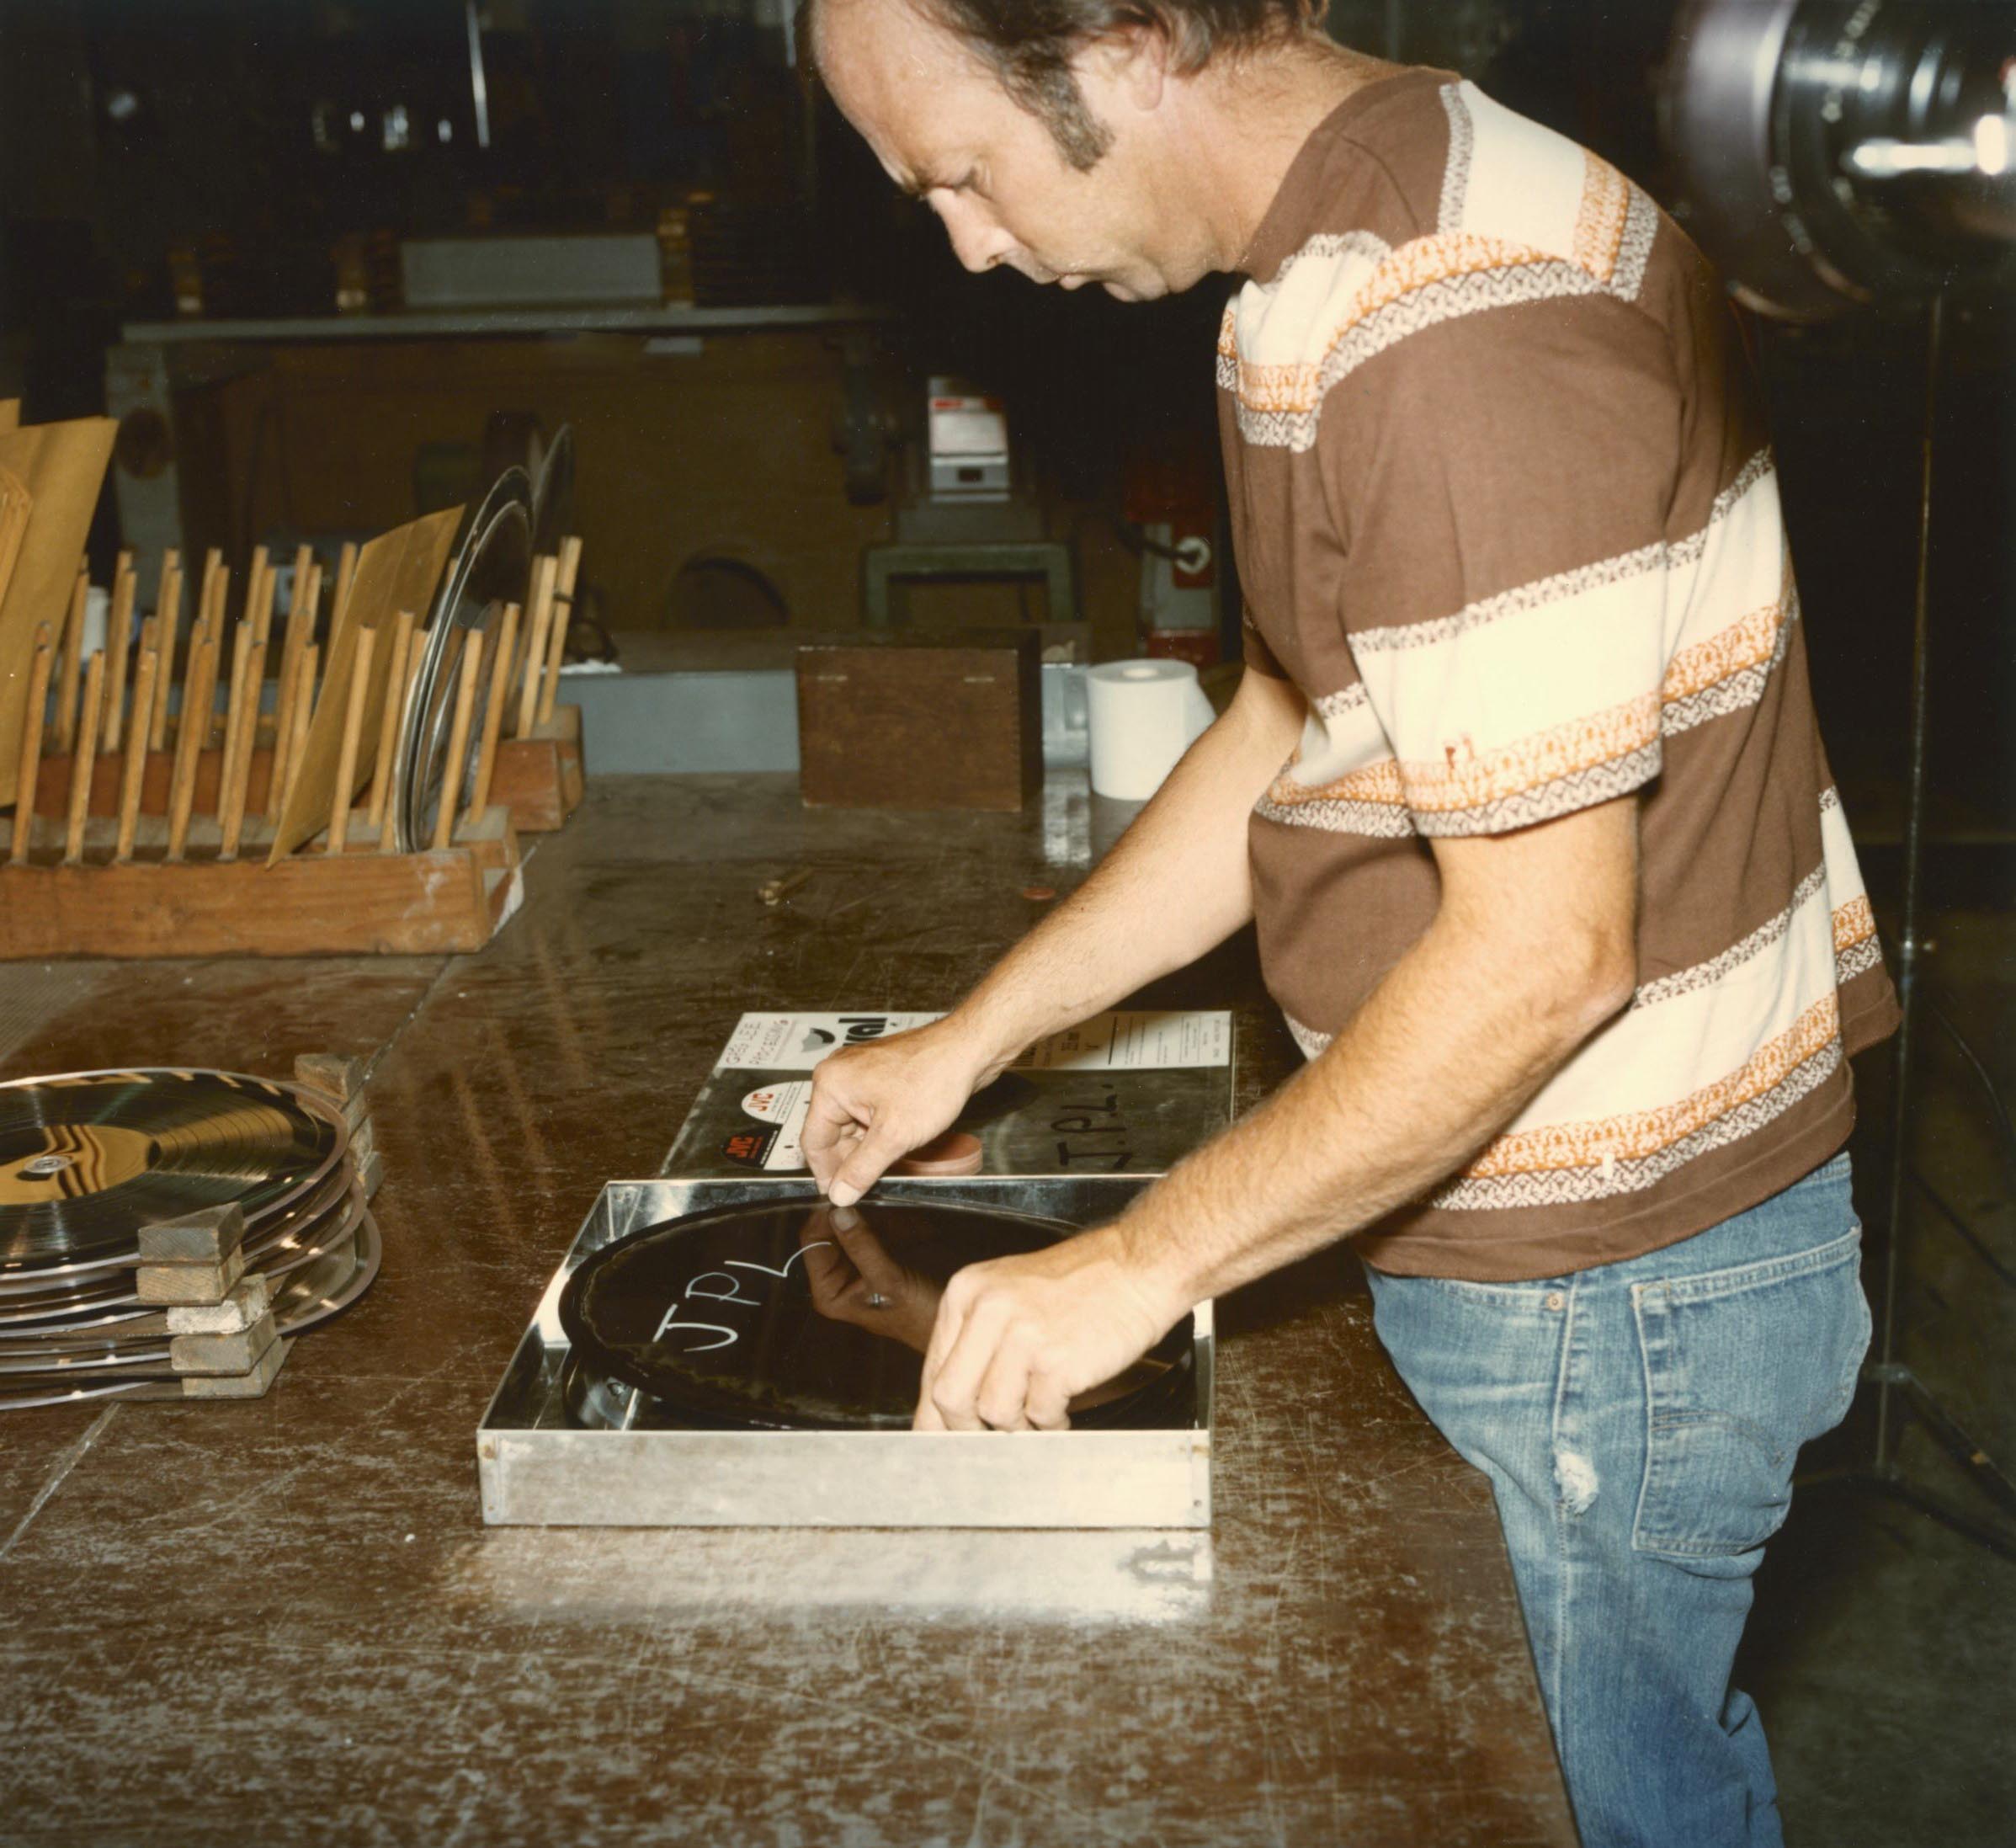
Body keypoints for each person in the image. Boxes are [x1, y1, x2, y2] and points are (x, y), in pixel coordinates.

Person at [802, 3, 1901, 1842]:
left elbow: (1544, 954)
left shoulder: (1445, 317)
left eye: (960, 173)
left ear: (1128, 40)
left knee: (1597, 1810)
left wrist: (1137, 1266)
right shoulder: (1340, 249)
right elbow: (1298, 727)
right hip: (1547, 1239)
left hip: (1603, 1289)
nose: (967, 246)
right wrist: (973, 1039)